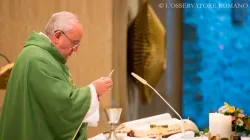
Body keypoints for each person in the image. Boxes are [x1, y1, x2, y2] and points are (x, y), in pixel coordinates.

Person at [0, 11, 112, 140]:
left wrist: (92, 95)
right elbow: (61, 107)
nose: (76, 49)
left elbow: (55, 99)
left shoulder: (45, 56)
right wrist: (92, 90)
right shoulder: (37, 59)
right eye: (74, 43)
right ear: (57, 36)